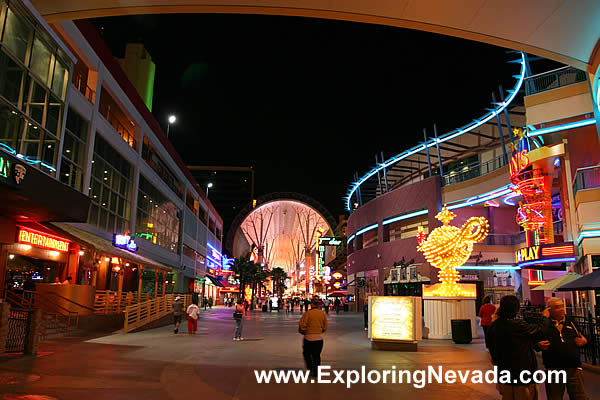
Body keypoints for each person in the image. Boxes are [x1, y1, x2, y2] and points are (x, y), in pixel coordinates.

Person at [487, 295, 543, 400]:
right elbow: (539, 330)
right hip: (523, 374)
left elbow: (491, 348)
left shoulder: (494, 326)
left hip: (504, 373)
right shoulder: (518, 325)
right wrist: (544, 318)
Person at [536, 298, 588, 400]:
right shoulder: (545, 325)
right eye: (557, 307)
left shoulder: (570, 322)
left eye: (562, 306)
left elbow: (583, 337)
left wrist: (584, 341)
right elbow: (536, 340)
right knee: (555, 396)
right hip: (554, 368)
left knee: (580, 396)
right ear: (549, 310)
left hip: (573, 367)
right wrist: (538, 345)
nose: (561, 309)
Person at [299, 296, 328, 377]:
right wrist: (320, 330)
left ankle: (310, 368)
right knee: (316, 355)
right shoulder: (322, 314)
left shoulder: (308, 313)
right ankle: (316, 371)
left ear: (311, 304)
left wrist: (304, 331)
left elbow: (302, 325)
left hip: (308, 337)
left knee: (307, 354)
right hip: (318, 338)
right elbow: (325, 326)